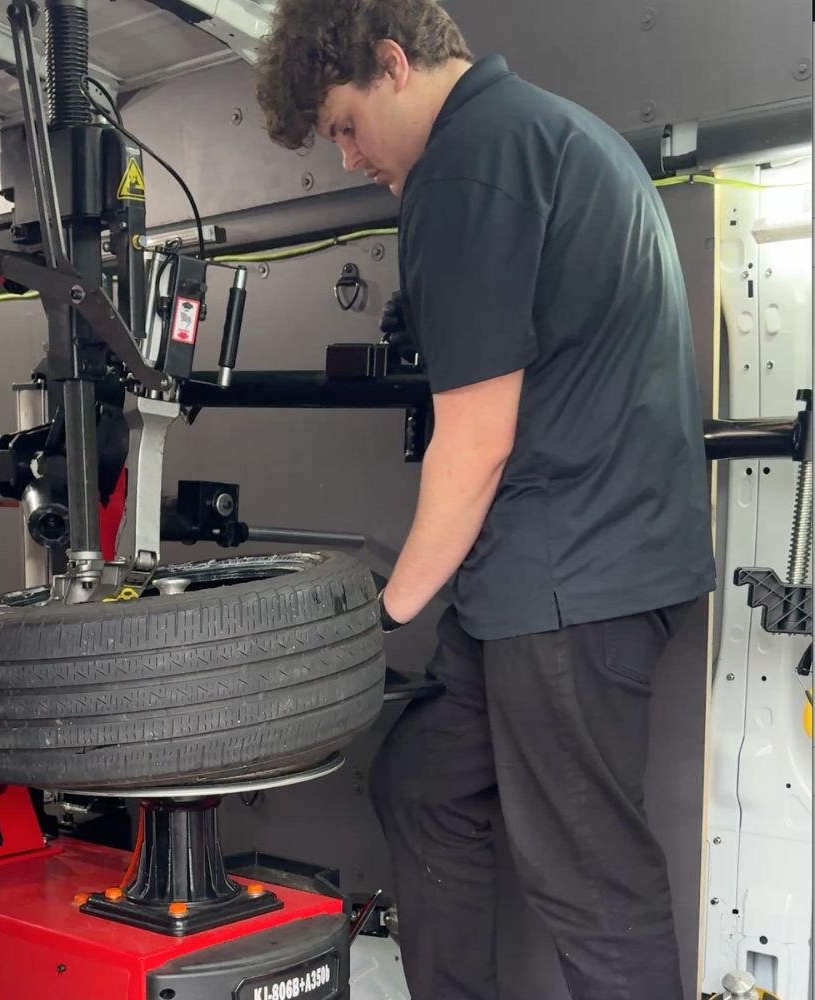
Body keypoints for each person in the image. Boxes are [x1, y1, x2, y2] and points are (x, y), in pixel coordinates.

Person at [255, 3, 716, 999]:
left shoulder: (466, 169)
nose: (344, 158)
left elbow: (472, 438)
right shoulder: (556, 132)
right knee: (421, 782)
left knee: (590, 877)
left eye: (342, 124)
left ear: (391, 64)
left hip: (568, 582)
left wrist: (377, 617)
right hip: (567, 570)